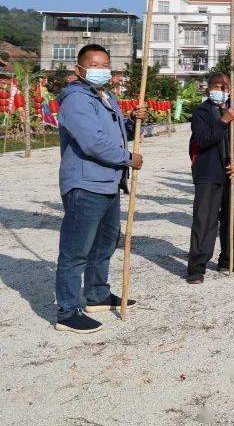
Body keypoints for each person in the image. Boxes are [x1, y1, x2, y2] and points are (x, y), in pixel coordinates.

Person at [54, 44, 144, 333]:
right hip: (85, 184)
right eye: (94, 64)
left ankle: (96, 294)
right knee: (76, 249)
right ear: (79, 69)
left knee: (105, 242)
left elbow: (115, 134)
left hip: (108, 184)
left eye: (104, 63)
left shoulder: (106, 97)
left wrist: (133, 122)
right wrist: (127, 159)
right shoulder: (76, 100)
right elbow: (92, 142)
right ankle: (68, 311)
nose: (100, 69)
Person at [186, 74, 234, 284]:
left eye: (225, 87)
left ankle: (228, 259)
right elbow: (203, 139)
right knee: (204, 220)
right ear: (208, 90)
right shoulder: (201, 113)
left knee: (229, 218)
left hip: (231, 173)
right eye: (216, 86)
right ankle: (197, 267)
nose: (221, 90)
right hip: (208, 173)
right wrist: (223, 121)